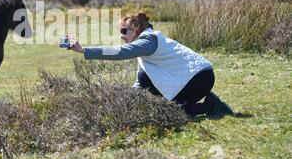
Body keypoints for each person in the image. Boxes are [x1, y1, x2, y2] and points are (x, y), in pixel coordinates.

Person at [68, 12, 234, 117]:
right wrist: (126, 100)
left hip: (198, 79)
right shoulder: (144, 47)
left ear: (136, 29)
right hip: (196, 77)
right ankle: (204, 105)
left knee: (167, 111)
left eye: (125, 31)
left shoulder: (147, 41)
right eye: (120, 32)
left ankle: (208, 107)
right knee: (155, 106)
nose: (121, 36)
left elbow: (120, 53)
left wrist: (85, 51)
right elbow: (142, 82)